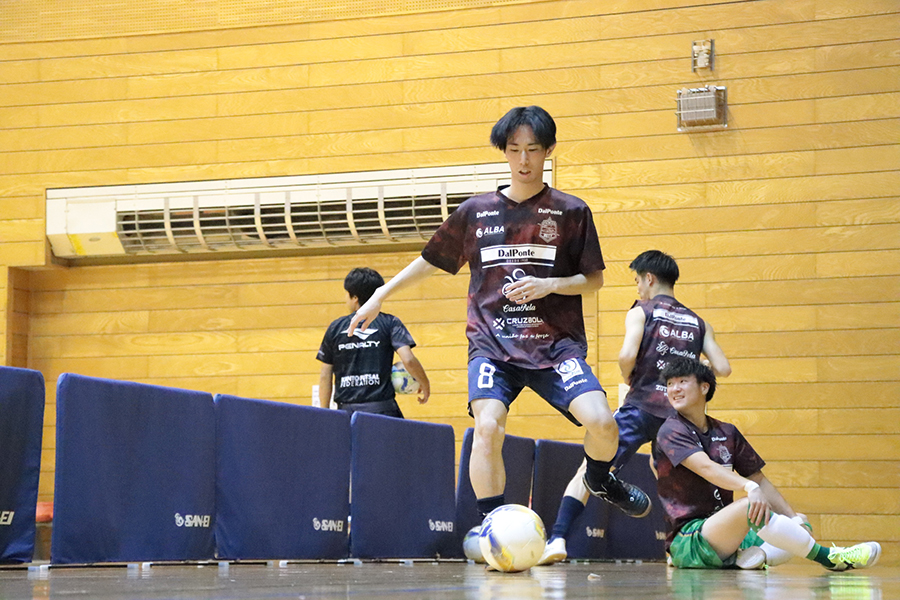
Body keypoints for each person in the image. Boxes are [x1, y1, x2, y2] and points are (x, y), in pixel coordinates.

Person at [347, 106, 642, 520]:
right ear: (504, 151)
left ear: (549, 150)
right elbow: (431, 261)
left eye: (533, 149)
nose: (524, 160)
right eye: (514, 149)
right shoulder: (476, 211)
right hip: (493, 345)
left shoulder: (571, 211)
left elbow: (593, 280)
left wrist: (550, 285)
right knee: (486, 427)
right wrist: (381, 294)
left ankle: (598, 478)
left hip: (555, 345)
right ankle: (493, 524)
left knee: (603, 423)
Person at [539, 250, 731, 565]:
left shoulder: (642, 311)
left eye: (638, 281)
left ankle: (557, 539)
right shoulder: (699, 323)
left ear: (649, 278)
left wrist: (630, 377)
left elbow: (626, 355)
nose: (638, 288)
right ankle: (686, 549)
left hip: (641, 406)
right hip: (677, 417)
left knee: (590, 468)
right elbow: (722, 368)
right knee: (677, 482)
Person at [656, 357, 881, 571]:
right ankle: (830, 558)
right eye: (670, 384)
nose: (674, 389)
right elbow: (707, 468)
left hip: (727, 534)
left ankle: (754, 557)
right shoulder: (671, 430)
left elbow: (759, 480)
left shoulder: (727, 432)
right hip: (689, 538)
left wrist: (793, 519)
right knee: (748, 506)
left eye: (682, 381)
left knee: (798, 523)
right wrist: (748, 487)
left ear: (704, 387)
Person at [317, 267, 430, 417]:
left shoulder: (335, 327)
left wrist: (324, 413)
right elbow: (408, 359)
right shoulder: (390, 322)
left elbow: (325, 375)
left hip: (346, 412)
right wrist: (424, 383)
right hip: (382, 411)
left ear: (354, 297)